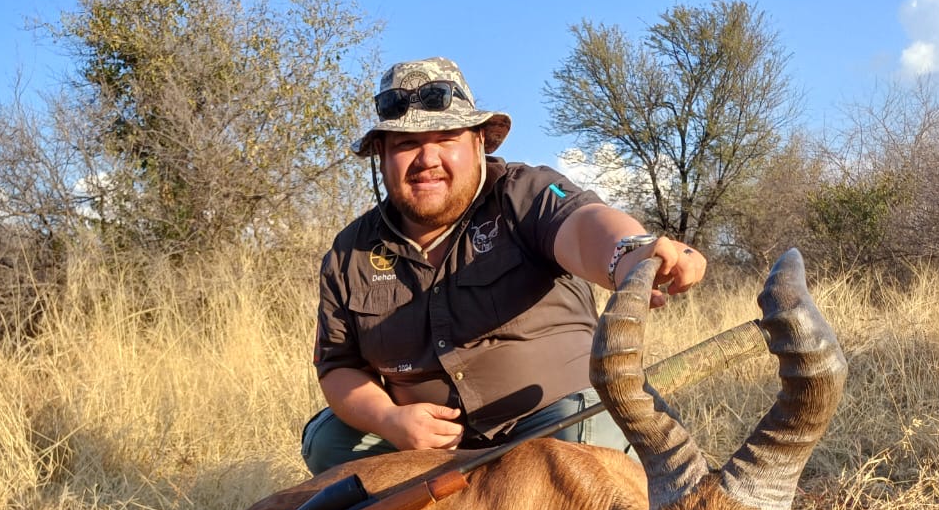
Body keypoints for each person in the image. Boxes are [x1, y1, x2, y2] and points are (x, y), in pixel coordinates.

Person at [302, 57, 706, 474]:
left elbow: (585, 228)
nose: (426, 159)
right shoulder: (349, 251)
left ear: (478, 143)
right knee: (328, 443)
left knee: (591, 447)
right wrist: (389, 420)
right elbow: (340, 366)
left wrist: (632, 254)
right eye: (406, 144)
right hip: (430, 447)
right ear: (382, 157)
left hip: (556, 420)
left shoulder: (524, 193)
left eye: (446, 139)